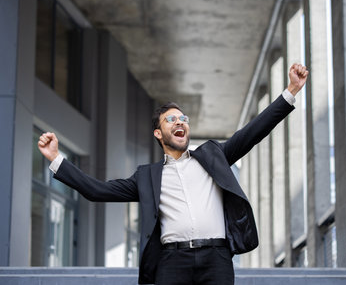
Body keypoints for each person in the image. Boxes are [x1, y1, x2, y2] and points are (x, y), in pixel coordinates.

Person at [37, 63, 309, 285]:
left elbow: (253, 132)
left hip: (216, 258)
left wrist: (290, 92)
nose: (180, 122)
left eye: (184, 119)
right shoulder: (147, 177)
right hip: (171, 262)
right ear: (158, 133)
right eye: (171, 119)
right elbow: (97, 190)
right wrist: (56, 159)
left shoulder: (212, 156)